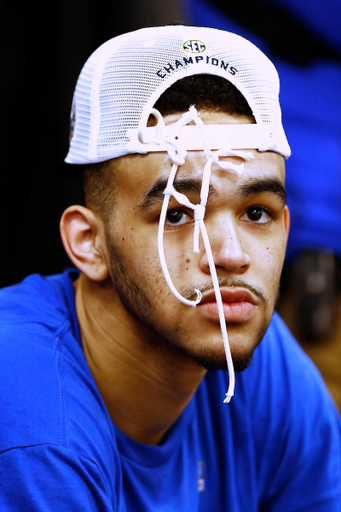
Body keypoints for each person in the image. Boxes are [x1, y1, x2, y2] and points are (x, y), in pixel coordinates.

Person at [0, 25, 340, 511]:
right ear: (88, 243)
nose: (231, 255)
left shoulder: (246, 350)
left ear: (286, 227)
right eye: (177, 214)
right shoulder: (35, 432)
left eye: (256, 213)